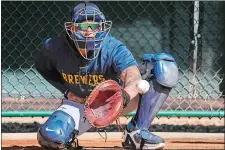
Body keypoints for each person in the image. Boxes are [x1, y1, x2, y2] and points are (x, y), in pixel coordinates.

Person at [35, 2, 178, 150]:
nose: (89, 31)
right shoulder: (54, 47)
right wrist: (67, 91)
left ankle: (136, 132)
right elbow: (43, 67)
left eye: (95, 26)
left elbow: (133, 74)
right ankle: (69, 132)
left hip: (114, 102)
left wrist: (122, 97)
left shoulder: (113, 47)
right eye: (83, 26)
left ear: (102, 27)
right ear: (72, 28)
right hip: (81, 105)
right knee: (51, 136)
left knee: (163, 66)